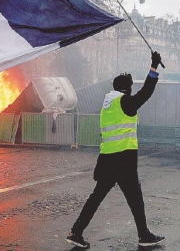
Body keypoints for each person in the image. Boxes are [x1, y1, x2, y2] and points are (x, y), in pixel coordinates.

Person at [66, 51, 165, 249]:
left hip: (107, 161)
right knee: (135, 200)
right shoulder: (124, 102)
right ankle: (144, 235)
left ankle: (76, 232)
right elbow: (145, 93)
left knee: (96, 198)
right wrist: (153, 67)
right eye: (130, 88)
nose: (131, 91)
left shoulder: (107, 106)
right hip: (124, 161)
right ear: (125, 89)